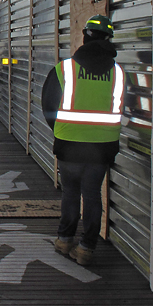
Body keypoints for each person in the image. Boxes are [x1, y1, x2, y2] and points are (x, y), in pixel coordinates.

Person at [41, 14, 125, 266]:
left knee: (70, 193)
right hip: (102, 147)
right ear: (109, 39)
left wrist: (62, 129)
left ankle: (65, 239)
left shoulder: (64, 69)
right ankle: (87, 247)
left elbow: (47, 106)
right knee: (92, 195)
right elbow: (124, 106)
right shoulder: (118, 74)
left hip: (70, 144)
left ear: (85, 37)